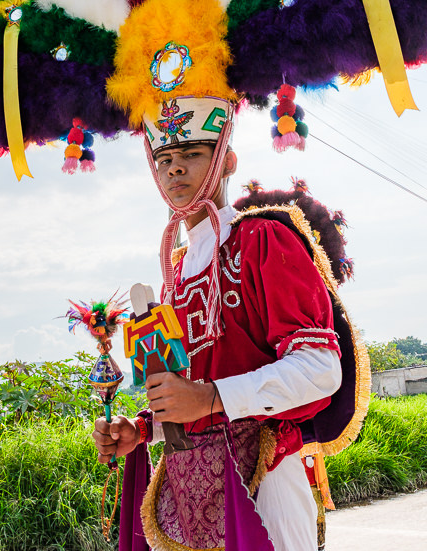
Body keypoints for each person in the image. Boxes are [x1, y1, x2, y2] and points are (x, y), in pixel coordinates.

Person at [92, 95, 366, 551]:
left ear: (228, 159)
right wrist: (140, 429)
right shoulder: (174, 275)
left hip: (266, 479)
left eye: (191, 154)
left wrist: (210, 398)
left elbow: (320, 369)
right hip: (185, 490)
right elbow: (185, 402)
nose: (174, 169)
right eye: (164, 159)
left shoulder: (263, 239)